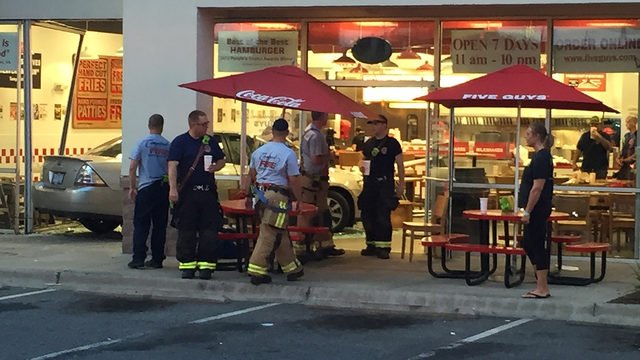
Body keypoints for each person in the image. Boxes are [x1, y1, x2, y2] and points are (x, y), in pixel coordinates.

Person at [168, 110, 226, 280]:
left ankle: (206, 266)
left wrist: (217, 167)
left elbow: (222, 159)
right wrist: (172, 189)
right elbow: (172, 166)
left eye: (207, 123)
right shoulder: (180, 142)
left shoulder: (210, 141)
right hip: (188, 194)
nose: (207, 126)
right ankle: (187, 265)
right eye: (204, 124)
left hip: (207, 193)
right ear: (193, 125)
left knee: (209, 230)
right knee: (187, 230)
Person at [246, 118, 304, 285]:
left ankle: (292, 268)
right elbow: (293, 179)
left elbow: (251, 174)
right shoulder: (288, 153)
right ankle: (256, 269)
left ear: (272, 131)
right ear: (286, 133)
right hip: (278, 197)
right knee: (270, 232)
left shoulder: (259, 151)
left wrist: (248, 196)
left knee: (279, 230)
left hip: (261, 196)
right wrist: (298, 199)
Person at [127, 114, 171, 269]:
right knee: (160, 225)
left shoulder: (142, 143)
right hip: (162, 188)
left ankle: (138, 258)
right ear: (162, 126)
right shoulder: (168, 145)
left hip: (146, 188)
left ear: (149, 125)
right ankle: (157, 259)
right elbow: (172, 168)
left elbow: (132, 167)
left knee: (141, 224)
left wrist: (132, 187)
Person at [358, 114, 404, 259]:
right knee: (367, 214)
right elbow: (363, 158)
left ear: (384, 125)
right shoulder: (369, 143)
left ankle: (383, 247)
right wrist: (361, 165)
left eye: (376, 124)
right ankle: (371, 244)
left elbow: (400, 165)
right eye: (372, 124)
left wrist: (401, 184)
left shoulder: (392, 143)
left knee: (382, 216)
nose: (373, 127)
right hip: (369, 184)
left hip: (384, 184)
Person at [299, 111, 345, 259]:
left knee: (317, 213)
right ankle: (310, 246)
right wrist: (329, 156)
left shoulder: (309, 133)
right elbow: (315, 159)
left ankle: (321, 244)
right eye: (326, 115)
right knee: (316, 213)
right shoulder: (315, 136)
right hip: (314, 181)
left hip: (311, 179)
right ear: (323, 117)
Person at [519, 122, 554, 299]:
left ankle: (542, 287)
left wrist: (528, 211)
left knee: (536, 243)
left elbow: (537, 187)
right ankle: (539, 281)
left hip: (538, 209)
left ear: (537, 136)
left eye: (529, 133)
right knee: (528, 242)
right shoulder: (540, 157)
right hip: (536, 208)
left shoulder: (541, 158)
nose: (526, 136)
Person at [615, 115, 637, 180]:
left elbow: (637, 152)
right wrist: (618, 158)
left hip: (633, 165)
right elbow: (623, 149)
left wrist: (628, 159)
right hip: (624, 166)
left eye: (628, 122)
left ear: (633, 123)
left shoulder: (637, 135)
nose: (626, 124)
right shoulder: (626, 136)